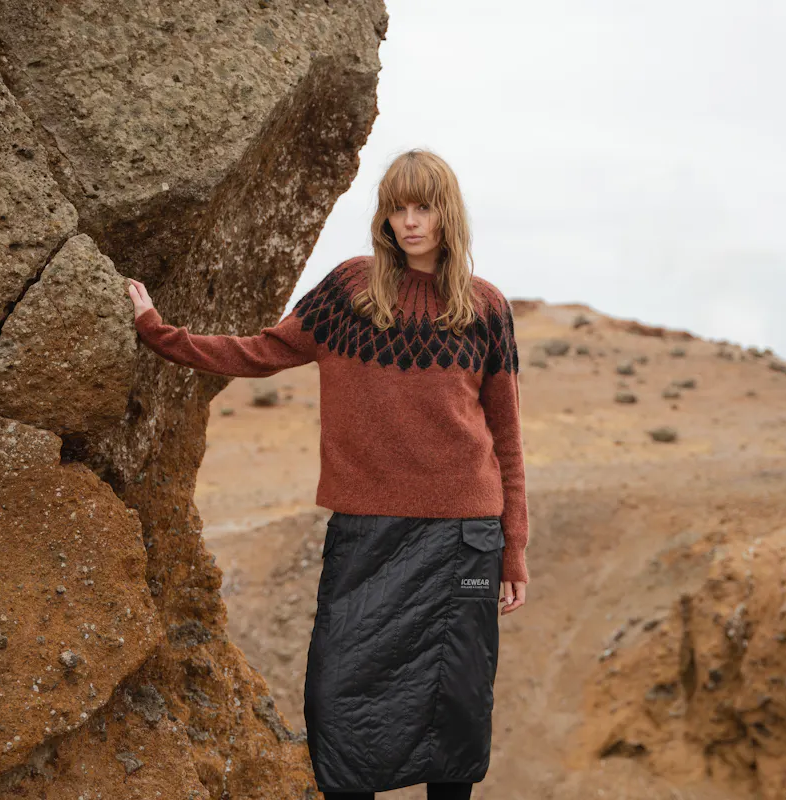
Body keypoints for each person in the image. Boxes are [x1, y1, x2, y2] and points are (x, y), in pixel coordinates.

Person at [126, 148, 529, 799]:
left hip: (464, 538)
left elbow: (507, 440)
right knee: (339, 699)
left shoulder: (485, 309)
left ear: (446, 212)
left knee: (456, 705)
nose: (410, 221)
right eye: (397, 208)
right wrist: (159, 332)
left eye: (423, 206)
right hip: (368, 533)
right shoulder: (350, 291)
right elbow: (261, 351)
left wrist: (514, 552)